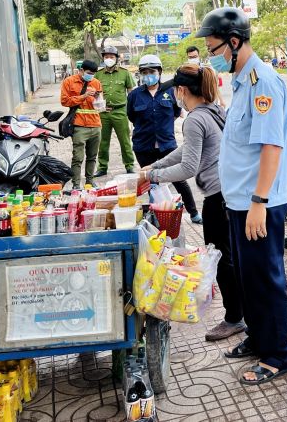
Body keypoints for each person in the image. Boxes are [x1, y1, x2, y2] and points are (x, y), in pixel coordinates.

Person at [196, 7, 287, 386]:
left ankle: (277, 355)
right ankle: (258, 338)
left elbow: (272, 147)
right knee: (249, 278)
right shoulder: (239, 82)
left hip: (259, 203)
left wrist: (258, 201)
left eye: (213, 48)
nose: (212, 56)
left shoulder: (263, 82)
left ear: (234, 42)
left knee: (266, 278)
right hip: (239, 202)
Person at [139, 63, 244, 341]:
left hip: (217, 198)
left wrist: (153, 176)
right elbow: (187, 149)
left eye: (175, 90)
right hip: (229, 192)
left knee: (223, 259)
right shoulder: (213, 110)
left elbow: (188, 167)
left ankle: (234, 318)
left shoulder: (194, 119)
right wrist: (154, 166)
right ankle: (240, 312)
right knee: (230, 256)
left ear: (182, 90)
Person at [127, 54, 202, 224]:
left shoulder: (171, 91)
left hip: (167, 144)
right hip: (143, 146)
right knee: (150, 180)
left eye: (151, 71)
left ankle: (194, 213)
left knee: (179, 180)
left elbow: (176, 112)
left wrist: (162, 127)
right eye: (144, 72)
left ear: (159, 72)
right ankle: (159, 216)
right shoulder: (135, 95)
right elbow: (131, 116)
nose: (148, 75)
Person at [94, 45, 136, 177]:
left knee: (124, 140)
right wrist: (99, 106)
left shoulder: (125, 73)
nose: (109, 59)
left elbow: (131, 93)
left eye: (111, 57)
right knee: (102, 141)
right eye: (106, 57)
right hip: (103, 113)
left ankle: (129, 165)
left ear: (116, 58)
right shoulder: (98, 75)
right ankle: (102, 167)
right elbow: (95, 94)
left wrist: (132, 111)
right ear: (103, 58)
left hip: (120, 111)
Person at [60, 59, 102, 189]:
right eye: (89, 73)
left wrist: (99, 100)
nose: (91, 76)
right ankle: (76, 185)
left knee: (92, 156)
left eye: (94, 73)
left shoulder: (96, 83)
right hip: (79, 125)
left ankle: (90, 182)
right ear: (81, 70)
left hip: (95, 124)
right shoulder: (69, 82)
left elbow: (99, 104)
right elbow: (64, 101)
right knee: (78, 157)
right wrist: (83, 96)